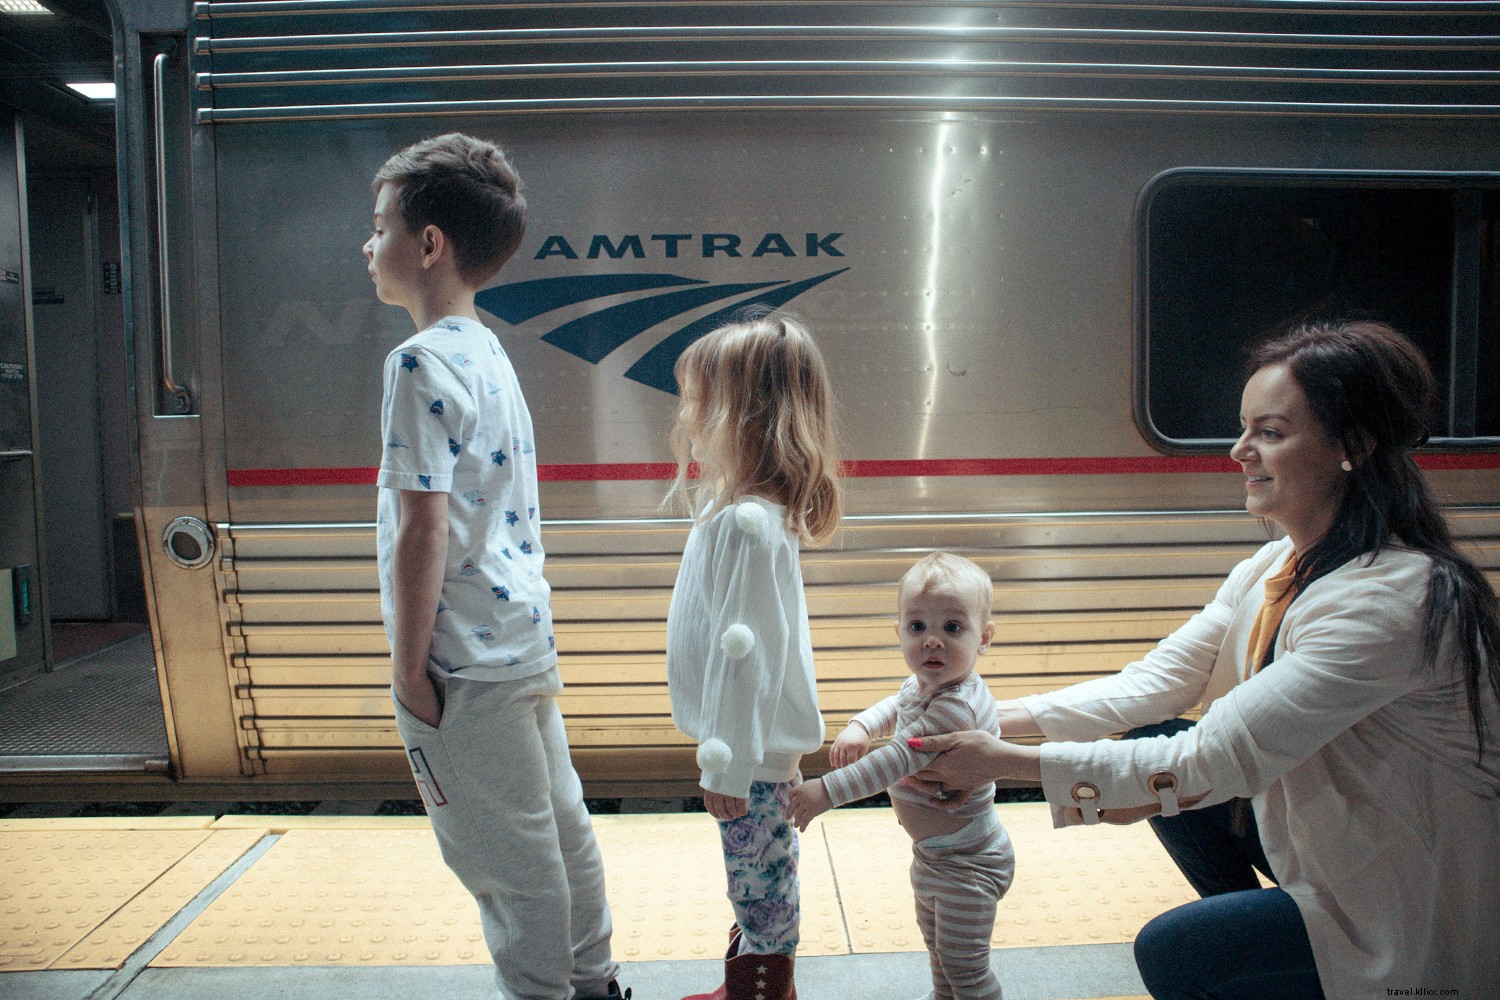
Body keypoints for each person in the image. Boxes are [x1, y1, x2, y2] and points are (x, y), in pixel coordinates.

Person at [908, 319, 1500, 999]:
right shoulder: (1276, 566)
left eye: (1270, 433)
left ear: (1353, 446)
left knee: (1178, 949)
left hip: (1408, 903)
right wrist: (978, 720)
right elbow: (1157, 684)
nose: (1239, 450)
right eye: (1244, 428)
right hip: (1339, 851)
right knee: (1157, 750)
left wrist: (995, 761)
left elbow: (1210, 759)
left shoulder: (1394, 598)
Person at [364, 132, 628, 1000]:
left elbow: (422, 530)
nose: (369, 247)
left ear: (429, 244)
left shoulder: (418, 360)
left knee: (506, 865)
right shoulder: (487, 350)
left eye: (379, 228)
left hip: (462, 665)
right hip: (522, 642)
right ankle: (596, 985)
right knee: (559, 831)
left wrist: (408, 673)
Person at [664, 311, 842, 1000]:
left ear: (744, 416)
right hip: (752, 749)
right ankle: (753, 978)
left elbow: (747, 656)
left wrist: (730, 765)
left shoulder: (749, 525)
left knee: (761, 881)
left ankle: (764, 988)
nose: (691, 416)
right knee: (755, 872)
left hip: (754, 754)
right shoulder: (746, 515)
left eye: (702, 402)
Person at [787, 552, 1014, 1000]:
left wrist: (826, 791)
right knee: (941, 960)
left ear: (983, 638)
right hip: (934, 857)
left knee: (966, 973)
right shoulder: (924, 685)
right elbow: (895, 704)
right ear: (899, 633)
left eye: (952, 628)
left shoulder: (956, 705)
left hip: (969, 862)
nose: (932, 641)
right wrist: (861, 725)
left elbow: (896, 760)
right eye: (917, 628)